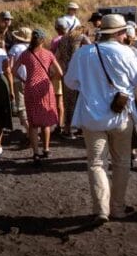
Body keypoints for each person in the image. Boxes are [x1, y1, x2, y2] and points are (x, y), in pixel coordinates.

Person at [63, 14, 137, 224]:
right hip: (121, 114)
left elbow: (70, 82)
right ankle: (118, 207)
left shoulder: (83, 53)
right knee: (122, 162)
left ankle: (101, 209)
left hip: (92, 115)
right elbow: (136, 81)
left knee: (96, 163)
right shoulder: (128, 53)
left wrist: (88, 86)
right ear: (119, 33)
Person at [18, 29, 63, 163]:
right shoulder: (48, 54)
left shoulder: (26, 54)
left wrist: (23, 79)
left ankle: (35, 153)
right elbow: (60, 72)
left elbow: (14, 69)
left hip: (31, 87)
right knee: (45, 120)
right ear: (43, 40)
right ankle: (46, 149)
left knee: (33, 122)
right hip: (45, 86)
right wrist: (50, 78)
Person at [53, 30, 86, 139]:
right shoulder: (81, 37)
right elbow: (92, 46)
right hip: (79, 73)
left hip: (66, 72)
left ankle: (67, 128)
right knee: (80, 100)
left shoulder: (62, 39)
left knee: (68, 102)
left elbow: (57, 56)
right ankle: (77, 128)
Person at [7, 27, 33, 135]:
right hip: (32, 80)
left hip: (19, 80)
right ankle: (32, 130)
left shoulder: (15, 48)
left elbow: (10, 66)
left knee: (21, 107)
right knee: (31, 106)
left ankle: (29, 131)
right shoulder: (32, 48)